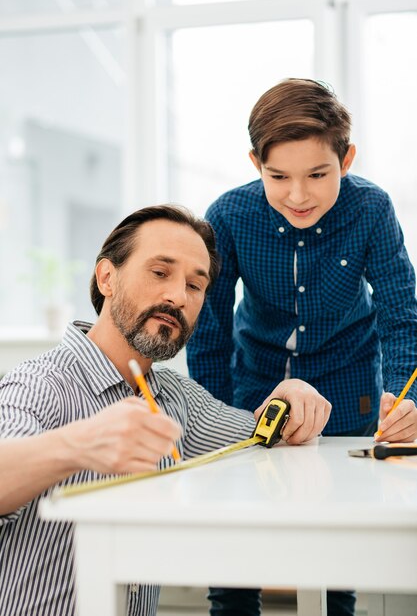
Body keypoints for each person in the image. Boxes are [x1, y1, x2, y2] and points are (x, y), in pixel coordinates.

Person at [0, 204, 331, 616]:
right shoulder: (39, 383)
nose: (178, 296)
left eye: (196, 286)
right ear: (107, 277)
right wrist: (78, 445)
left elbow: (260, 437)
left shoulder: (176, 398)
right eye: (160, 273)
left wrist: (291, 394)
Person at [186, 78, 417, 616]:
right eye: (278, 176)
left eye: (318, 174)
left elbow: (402, 316)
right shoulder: (229, 216)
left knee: (337, 555)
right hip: (252, 392)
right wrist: (214, 420)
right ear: (254, 163)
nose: (298, 194)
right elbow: (211, 331)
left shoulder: (371, 210)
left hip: (351, 392)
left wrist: (406, 397)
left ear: (347, 159)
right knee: (237, 548)